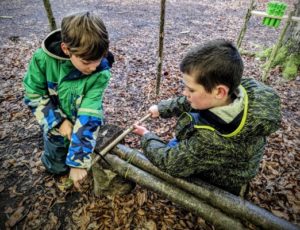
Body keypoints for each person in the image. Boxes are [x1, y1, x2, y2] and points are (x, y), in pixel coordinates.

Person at [133, 39, 281, 195]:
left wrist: (147, 136)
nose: (184, 93)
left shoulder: (212, 141)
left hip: (223, 176)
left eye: (191, 89)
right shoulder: (237, 90)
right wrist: (162, 109)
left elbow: (171, 162)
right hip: (223, 157)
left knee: (175, 162)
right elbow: (190, 101)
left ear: (219, 92)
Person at [23, 12, 114, 189]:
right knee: (55, 165)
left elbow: (89, 112)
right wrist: (58, 121)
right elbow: (33, 93)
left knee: (79, 153)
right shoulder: (43, 60)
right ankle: (55, 165)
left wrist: (78, 161)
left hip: (81, 121)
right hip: (53, 124)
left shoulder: (101, 72)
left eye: (99, 60)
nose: (94, 67)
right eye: (87, 62)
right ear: (66, 49)